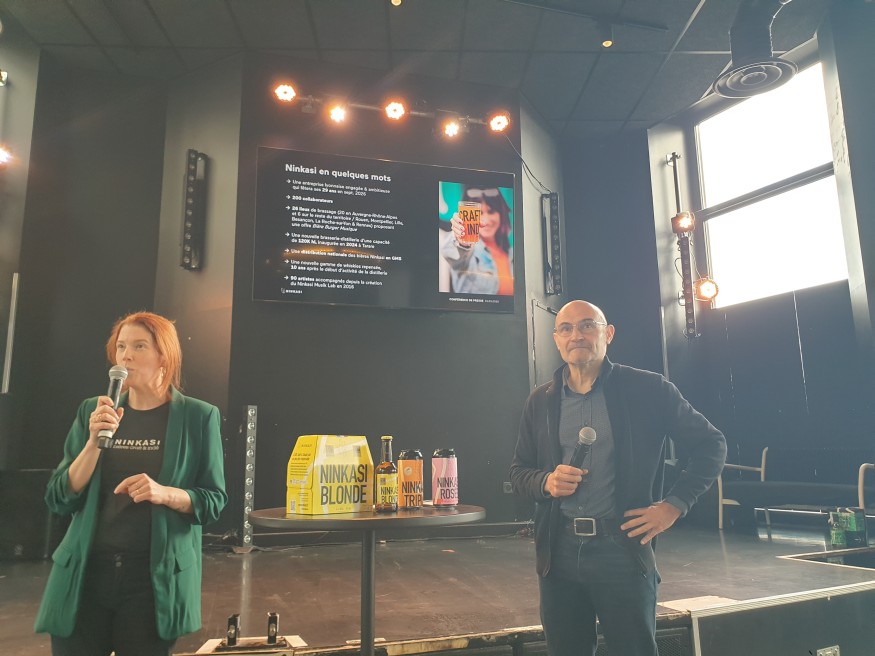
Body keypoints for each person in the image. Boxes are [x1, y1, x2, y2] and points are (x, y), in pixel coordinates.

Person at [509, 300, 726, 656]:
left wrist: (673, 506)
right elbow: (519, 473)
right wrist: (546, 482)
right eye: (566, 328)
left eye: (587, 325)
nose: (576, 335)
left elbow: (711, 444)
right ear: (556, 339)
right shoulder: (540, 401)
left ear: (608, 333)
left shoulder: (648, 389)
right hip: (558, 555)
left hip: (622, 550)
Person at [34, 311, 227, 656]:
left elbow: (213, 501)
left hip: (151, 581)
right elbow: (59, 497)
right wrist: (93, 442)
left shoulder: (198, 416)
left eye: (139, 346)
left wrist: (165, 493)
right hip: (86, 574)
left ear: (164, 356)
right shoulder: (93, 411)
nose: (126, 356)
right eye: (121, 346)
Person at [441, 186, 513, 295]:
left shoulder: (511, 253)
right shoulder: (468, 253)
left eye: (491, 211)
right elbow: (451, 252)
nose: (486, 220)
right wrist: (461, 240)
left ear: (501, 214)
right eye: (479, 213)